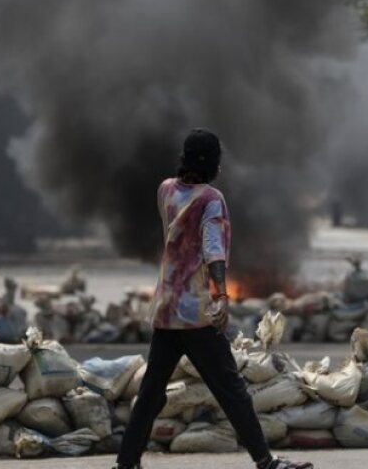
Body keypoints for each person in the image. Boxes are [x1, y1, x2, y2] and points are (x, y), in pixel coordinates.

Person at [115, 129, 312, 469]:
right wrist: (221, 294)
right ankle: (265, 461)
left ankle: (126, 462)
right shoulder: (211, 200)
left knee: (151, 392)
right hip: (195, 313)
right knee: (231, 389)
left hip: (166, 309)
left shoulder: (165, 190)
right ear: (215, 164)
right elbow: (213, 250)